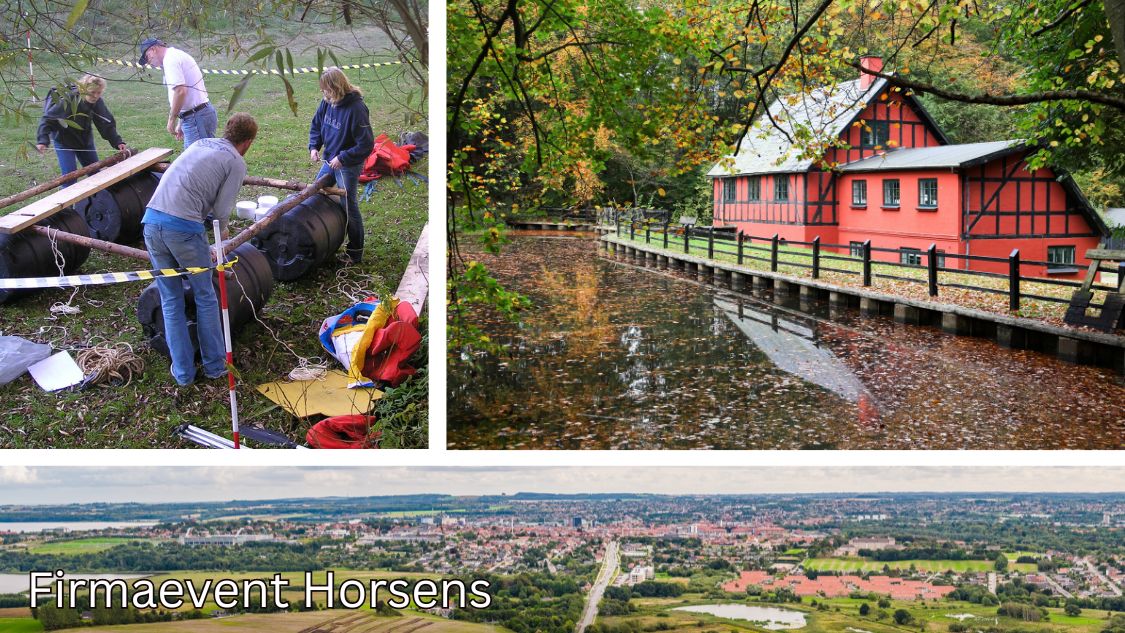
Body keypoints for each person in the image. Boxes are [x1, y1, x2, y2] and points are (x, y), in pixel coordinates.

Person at [142, 113, 257, 386]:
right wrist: (222, 239)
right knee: (205, 296)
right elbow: (220, 213)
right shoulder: (235, 162)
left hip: (151, 221)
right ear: (248, 142)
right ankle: (215, 366)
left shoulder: (199, 144)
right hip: (182, 228)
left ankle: (182, 373)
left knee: (170, 300)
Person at [309, 67, 374, 265]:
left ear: (336, 88)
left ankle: (355, 252)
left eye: (326, 90)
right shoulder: (326, 102)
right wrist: (314, 146)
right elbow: (317, 124)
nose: (324, 94)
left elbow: (366, 144)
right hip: (330, 159)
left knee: (349, 204)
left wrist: (344, 158)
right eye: (322, 91)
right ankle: (325, 236)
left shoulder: (356, 108)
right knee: (317, 191)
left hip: (347, 164)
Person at [35, 75, 127, 186]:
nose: (95, 96)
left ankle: (98, 202)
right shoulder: (69, 100)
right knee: (69, 179)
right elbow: (48, 119)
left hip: (85, 141)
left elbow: (106, 123)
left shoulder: (97, 102)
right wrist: (42, 141)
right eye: (92, 92)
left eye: (99, 92)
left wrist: (117, 142)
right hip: (64, 142)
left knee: (96, 175)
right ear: (83, 89)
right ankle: (67, 203)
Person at [137, 37, 216, 147]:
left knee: (196, 161)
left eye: (147, 57)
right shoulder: (174, 56)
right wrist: (181, 121)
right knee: (200, 159)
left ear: (153, 49)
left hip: (196, 118)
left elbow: (180, 91)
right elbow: (187, 94)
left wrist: (172, 119)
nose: (149, 62)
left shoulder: (170, 60)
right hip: (196, 116)